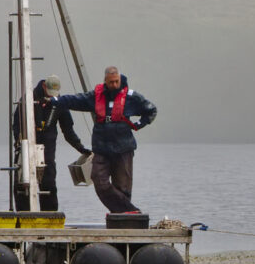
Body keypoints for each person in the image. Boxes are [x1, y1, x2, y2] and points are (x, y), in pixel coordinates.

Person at [52, 66, 157, 213]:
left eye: (116, 81)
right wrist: (56, 100)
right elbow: (76, 100)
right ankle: (131, 211)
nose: (114, 85)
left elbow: (151, 110)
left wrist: (139, 124)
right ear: (105, 81)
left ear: (120, 80)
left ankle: (122, 218)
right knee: (99, 180)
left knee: (123, 187)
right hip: (101, 147)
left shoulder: (131, 97)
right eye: (111, 82)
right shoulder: (96, 96)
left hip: (124, 147)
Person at [12, 75, 90, 211]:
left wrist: (81, 149)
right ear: (44, 87)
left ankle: (50, 216)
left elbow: (68, 131)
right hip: (26, 146)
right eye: (49, 93)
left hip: (47, 148)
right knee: (21, 183)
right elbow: (16, 124)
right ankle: (22, 215)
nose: (51, 96)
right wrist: (19, 143)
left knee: (49, 182)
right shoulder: (27, 100)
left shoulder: (59, 103)